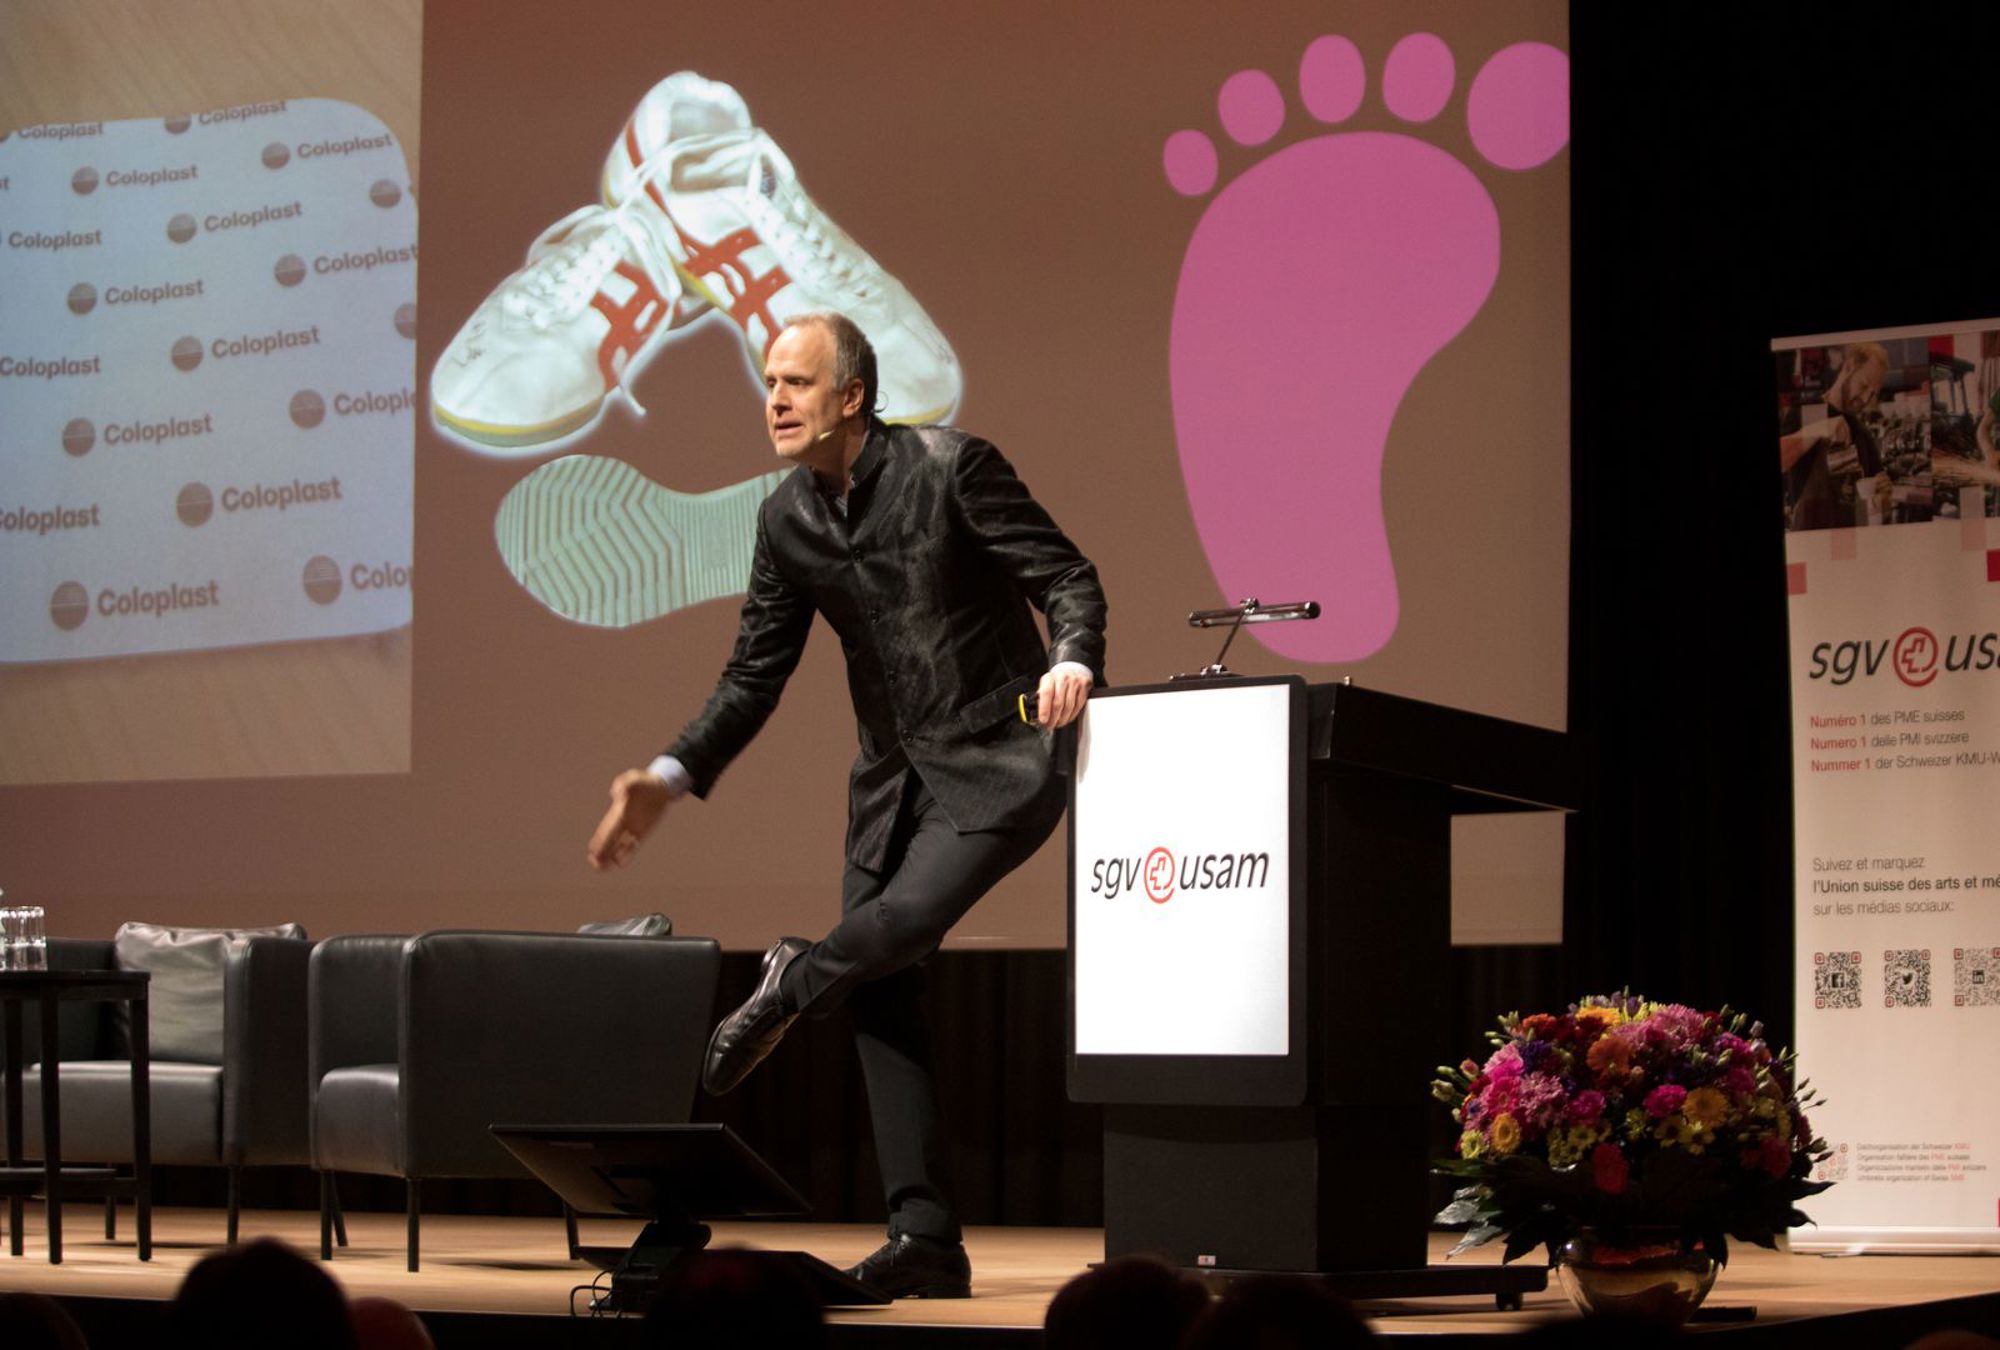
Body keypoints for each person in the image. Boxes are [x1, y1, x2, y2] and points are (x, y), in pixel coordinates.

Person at [588, 310, 1106, 1299]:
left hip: (1000, 755)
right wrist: (668, 775)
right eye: (768, 383)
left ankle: (790, 983)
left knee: (900, 923)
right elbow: (753, 675)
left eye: (795, 382)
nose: (775, 400)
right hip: (888, 784)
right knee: (880, 986)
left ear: (852, 396)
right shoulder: (785, 519)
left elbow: (1066, 576)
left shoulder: (952, 468)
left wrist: (1073, 657)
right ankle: (925, 1237)